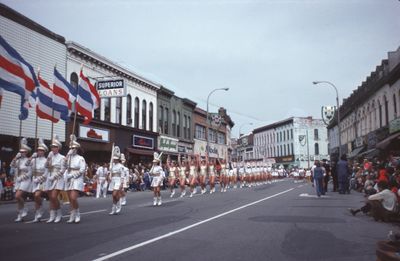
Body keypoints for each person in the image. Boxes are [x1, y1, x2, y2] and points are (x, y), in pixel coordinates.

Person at [64, 134, 86, 223]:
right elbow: (64, 166)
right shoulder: (68, 158)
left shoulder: (80, 158)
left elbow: (82, 170)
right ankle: (72, 215)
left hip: (77, 178)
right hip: (68, 178)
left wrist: (73, 175)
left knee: (73, 198)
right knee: (70, 199)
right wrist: (67, 156)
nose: (72, 150)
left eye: (74, 148)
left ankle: (77, 213)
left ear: (77, 149)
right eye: (71, 148)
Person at [45, 135, 66, 223]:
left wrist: (54, 177)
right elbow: (46, 166)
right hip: (49, 178)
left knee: (54, 196)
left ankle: (59, 213)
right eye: (52, 147)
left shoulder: (62, 157)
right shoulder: (50, 156)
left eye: (55, 147)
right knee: (51, 198)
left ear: (58, 148)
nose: (53, 148)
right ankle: (52, 215)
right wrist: (48, 158)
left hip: (58, 178)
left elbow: (63, 169)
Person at [10, 138, 32, 222]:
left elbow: (30, 173)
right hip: (18, 180)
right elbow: (12, 165)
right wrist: (15, 158)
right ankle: (20, 215)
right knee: (18, 200)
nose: (22, 153)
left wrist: (21, 178)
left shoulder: (29, 160)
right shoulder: (18, 160)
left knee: (18, 196)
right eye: (21, 152)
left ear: (27, 152)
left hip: (25, 180)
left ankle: (25, 207)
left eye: (24, 152)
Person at [30, 139, 48, 222]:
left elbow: (46, 173)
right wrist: (31, 157)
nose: (39, 152)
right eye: (38, 150)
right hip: (34, 180)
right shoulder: (34, 160)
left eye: (41, 150)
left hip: (42, 181)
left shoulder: (46, 161)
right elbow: (27, 166)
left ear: (44, 152)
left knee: (37, 195)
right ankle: (37, 215)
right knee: (35, 198)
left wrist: (39, 179)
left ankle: (40, 209)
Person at [108, 146, 124, 215]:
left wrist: (121, 184)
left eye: (116, 159)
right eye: (114, 159)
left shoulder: (121, 166)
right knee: (113, 196)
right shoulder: (111, 165)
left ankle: (118, 204)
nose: (114, 160)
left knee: (115, 194)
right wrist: (109, 176)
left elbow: (122, 176)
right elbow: (110, 173)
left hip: (118, 180)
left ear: (118, 159)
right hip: (113, 180)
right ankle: (113, 209)